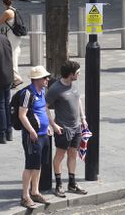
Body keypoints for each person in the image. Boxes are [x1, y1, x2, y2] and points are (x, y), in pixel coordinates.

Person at [17, 65, 58, 209]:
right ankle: (25, 196)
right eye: (44, 78)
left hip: (44, 135)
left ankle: (35, 191)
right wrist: (31, 131)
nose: (47, 80)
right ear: (37, 79)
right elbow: (21, 115)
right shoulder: (27, 93)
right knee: (30, 165)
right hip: (32, 136)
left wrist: (49, 126)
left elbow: (44, 109)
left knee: (38, 164)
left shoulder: (42, 91)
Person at [46, 61, 88, 198]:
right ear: (71, 74)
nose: (79, 74)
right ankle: (58, 184)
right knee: (60, 155)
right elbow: (44, 107)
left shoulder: (73, 85)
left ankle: (72, 183)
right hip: (63, 129)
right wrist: (53, 124)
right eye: (77, 73)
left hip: (76, 127)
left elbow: (78, 100)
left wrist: (83, 118)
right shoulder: (55, 89)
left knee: (72, 154)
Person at [0, 0, 23, 86]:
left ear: (3, 2)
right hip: (16, 35)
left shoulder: (7, 12)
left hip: (12, 36)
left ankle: (17, 78)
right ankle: (13, 77)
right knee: (15, 51)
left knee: (12, 56)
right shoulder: (14, 10)